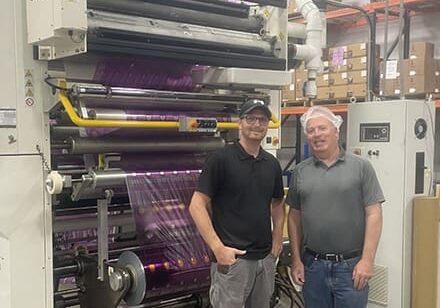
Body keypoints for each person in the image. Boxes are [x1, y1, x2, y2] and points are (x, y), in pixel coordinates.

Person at [189, 99, 285, 308]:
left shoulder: (272, 164)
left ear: (267, 124)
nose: (257, 124)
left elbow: (278, 203)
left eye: (262, 119)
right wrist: (218, 248)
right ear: (240, 123)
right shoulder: (220, 159)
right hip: (233, 262)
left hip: (264, 259)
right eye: (251, 118)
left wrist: (277, 238)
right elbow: (197, 205)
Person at [285, 106, 384, 308]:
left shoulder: (360, 167)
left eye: (322, 128)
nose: (316, 135)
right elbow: (294, 218)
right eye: (311, 131)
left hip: (351, 267)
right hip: (314, 267)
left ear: (336, 131)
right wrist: (296, 260)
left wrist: (367, 260)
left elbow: (374, 214)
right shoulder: (301, 171)